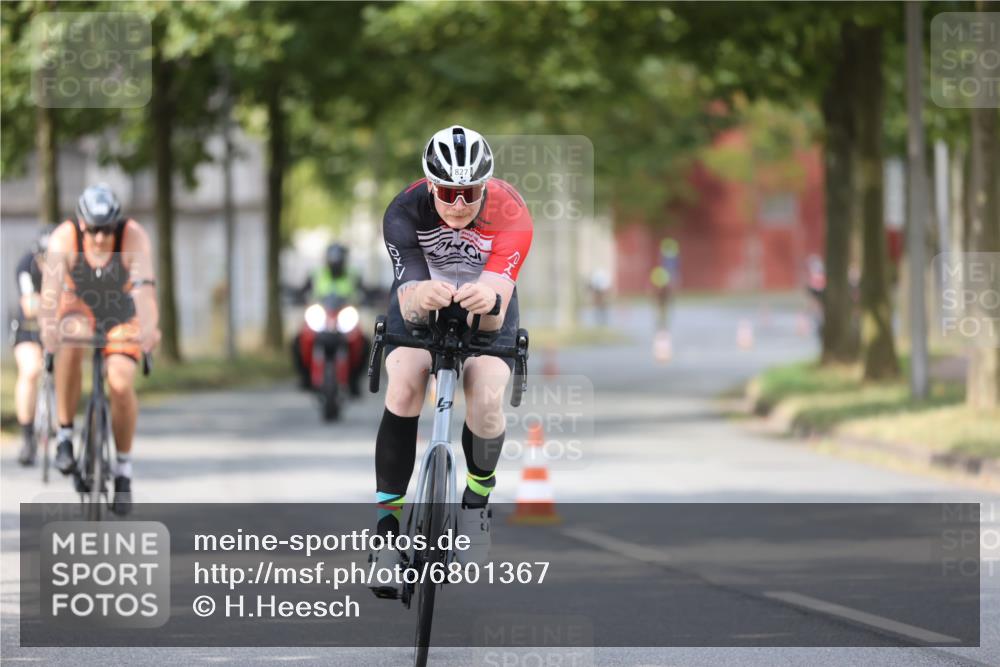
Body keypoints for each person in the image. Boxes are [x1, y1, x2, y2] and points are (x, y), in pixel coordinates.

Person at [369, 125, 533, 595]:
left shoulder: (512, 212)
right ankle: (385, 536)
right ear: (430, 185)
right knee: (405, 380)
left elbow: (496, 305)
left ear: (485, 187)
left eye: (469, 192)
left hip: (487, 302)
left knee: (485, 391)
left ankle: (476, 503)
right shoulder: (403, 211)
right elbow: (409, 303)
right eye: (447, 192)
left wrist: (487, 299)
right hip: (422, 295)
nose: (458, 203)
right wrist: (421, 296)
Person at [38, 184, 160, 516]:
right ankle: (65, 434)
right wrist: (48, 329)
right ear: (81, 225)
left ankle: (123, 470)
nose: (102, 238)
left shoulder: (133, 236)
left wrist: (149, 328)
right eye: (94, 230)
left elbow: (145, 290)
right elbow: (50, 292)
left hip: (120, 310)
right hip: (79, 306)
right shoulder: (64, 238)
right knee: (70, 342)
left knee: (120, 382)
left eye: (107, 229)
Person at [11, 226, 55, 465]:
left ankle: (64, 432)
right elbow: (29, 306)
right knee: (30, 371)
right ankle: (27, 436)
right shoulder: (26, 265)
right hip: (29, 328)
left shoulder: (73, 267)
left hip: (59, 328)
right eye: (44, 258)